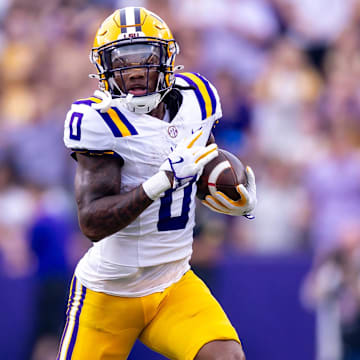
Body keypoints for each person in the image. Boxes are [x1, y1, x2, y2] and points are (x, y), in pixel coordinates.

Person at [57, 7, 257, 360]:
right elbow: (91, 221)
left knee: (227, 357)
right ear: (104, 68)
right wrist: (161, 181)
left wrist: (231, 192)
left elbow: (199, 166)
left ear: (166, 58)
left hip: (173, 282)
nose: (134, 71)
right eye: (121, 62)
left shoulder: (198, 98)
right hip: (109, 292)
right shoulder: (98, 121)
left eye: (143, 58)